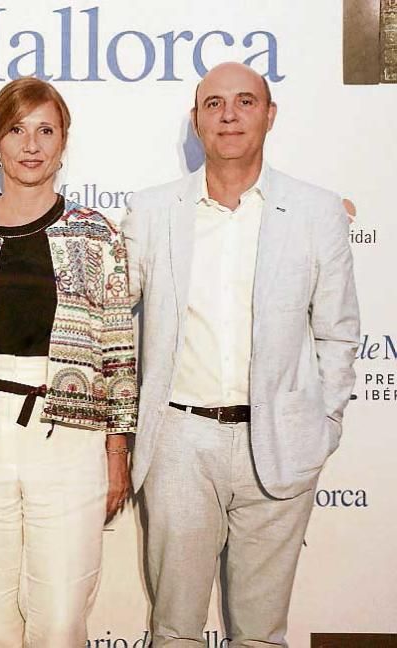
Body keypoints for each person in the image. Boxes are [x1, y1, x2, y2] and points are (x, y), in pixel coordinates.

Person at [124, 62, 360, 646]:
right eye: (214, 104)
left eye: (245, 102)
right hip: (179, 442)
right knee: (174, 629)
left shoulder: (317, 211)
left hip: (280, 442)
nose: (229, 115)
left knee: (260, 633)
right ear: (197, 121)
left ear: (269, 115)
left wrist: (322, 423)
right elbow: (108, 316)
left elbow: (337, 332)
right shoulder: (152, 212)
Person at [0, 77, 137, 647]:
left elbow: (118, 350)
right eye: (16, 130)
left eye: (46, 130)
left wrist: (118, 449)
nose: (31, 144)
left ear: (64, 142)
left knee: (61, 619)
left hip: (70, 437)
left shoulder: (96, 234)